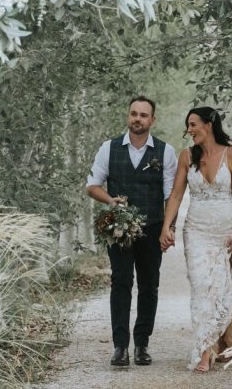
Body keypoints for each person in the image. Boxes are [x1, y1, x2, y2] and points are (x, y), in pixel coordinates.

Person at [160, 106, 232, 373]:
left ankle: (220, 343)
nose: (189, 130)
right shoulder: (187, 156)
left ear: (209, 125)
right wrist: (166, 227)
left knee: (220, 289)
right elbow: (175, 196)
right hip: (195, 231)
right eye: (188, 125)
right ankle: (204, 351)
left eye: (193, 124)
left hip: (223, 233)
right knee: (201, 288)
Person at [86, 96, 178, 367]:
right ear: (128, 116)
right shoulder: (109, 148)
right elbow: (93, 185)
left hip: (151, 229)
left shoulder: (165, 151)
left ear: (152, 120)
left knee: (149, 285)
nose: (138, 119)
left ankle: (142, 344)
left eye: (143, 115)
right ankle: (120, 347)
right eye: (134, 114)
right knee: (121, 282)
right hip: (119, 229)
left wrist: (167, 228)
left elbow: (170, 196)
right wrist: (110, 200)